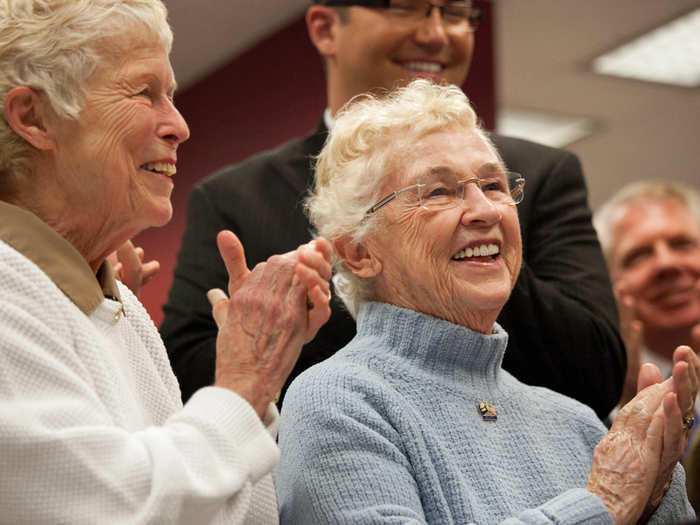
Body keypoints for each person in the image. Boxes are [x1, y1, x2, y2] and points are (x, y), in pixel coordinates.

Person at [162, 0, 625, 418]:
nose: (437, 33)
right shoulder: (235, 198)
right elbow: (186, 384)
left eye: (456, 11)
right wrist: (293, 328)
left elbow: (596, 375)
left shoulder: (541, 173)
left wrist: (476, 250)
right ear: (325, 28)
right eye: (405, 7)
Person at [275, 79, 696, 525]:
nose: (486, 210)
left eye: (493, 185)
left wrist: (655, 492)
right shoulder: (338, 400)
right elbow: (606, 505)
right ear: (358, 253)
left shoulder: (575, 420)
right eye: (437, 191)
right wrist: (605, 503)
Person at [0, 1, 331, 523]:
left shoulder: (121, 305)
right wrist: (243, 382)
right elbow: (116, 510)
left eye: (171, 97)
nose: (179, 126)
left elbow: (232, 514)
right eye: (144, 93)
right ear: (34, 117)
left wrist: (250, 379)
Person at [594, 180, 700, 508]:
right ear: (609, 285)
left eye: (682, 244)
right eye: (637, 256)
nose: (666, 264)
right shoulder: (594, 406)